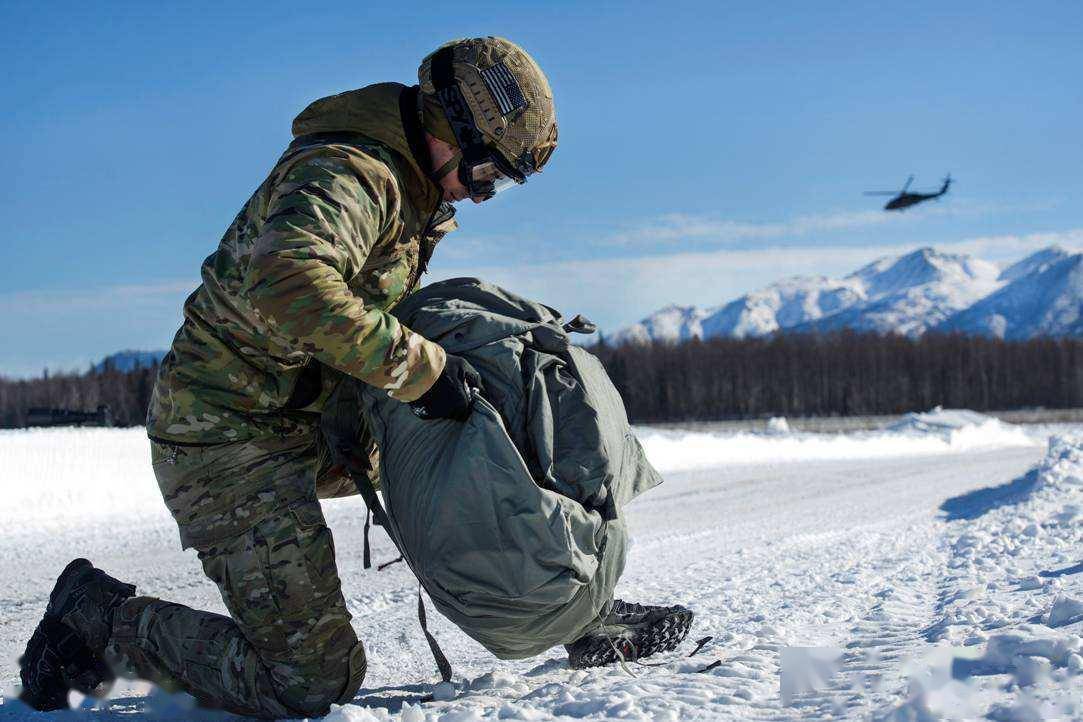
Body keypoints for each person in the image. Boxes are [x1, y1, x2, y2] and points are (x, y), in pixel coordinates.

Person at [18, 36, 689, 718]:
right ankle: (100, 621)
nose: (483, 195)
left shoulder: (410, 184)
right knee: (309, 683)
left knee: (484, 434)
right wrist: (419, 370)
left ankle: (575, 609)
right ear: (449, 127)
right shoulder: (352, 171)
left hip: (310, 422)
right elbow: (288, 279)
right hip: (227, 438)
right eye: (486, 172)